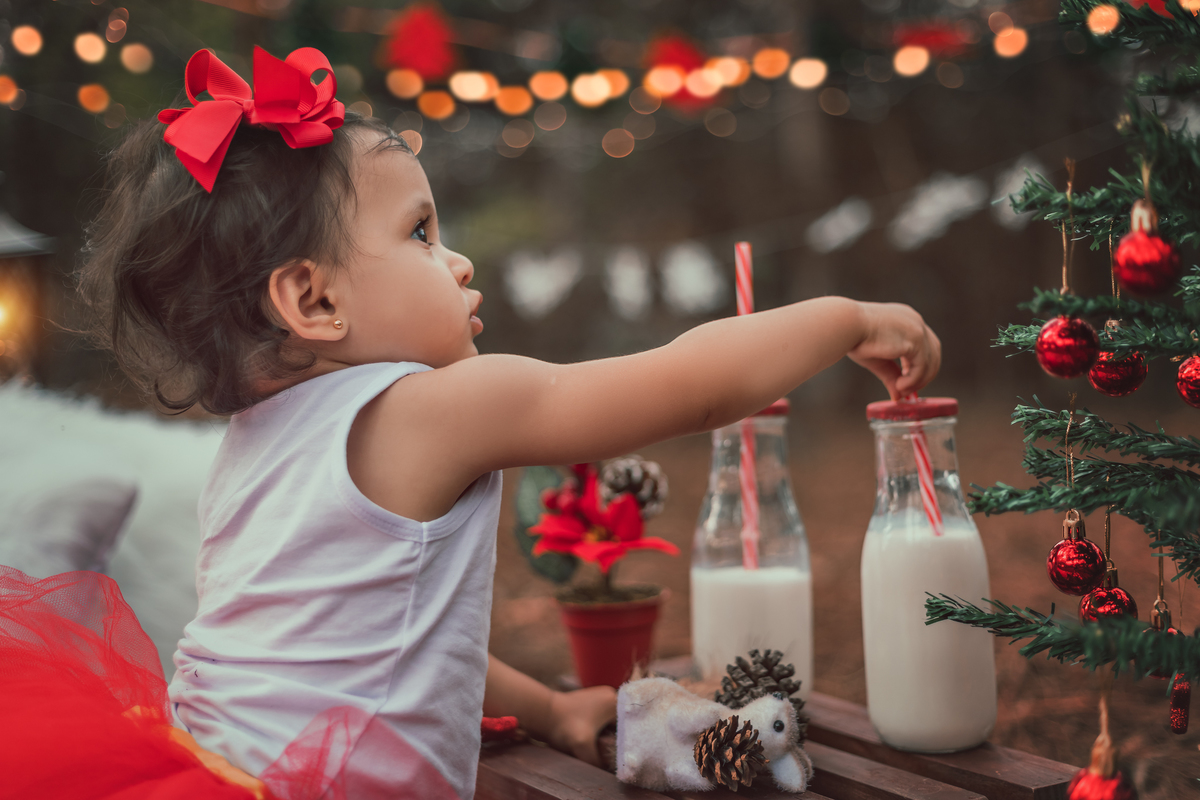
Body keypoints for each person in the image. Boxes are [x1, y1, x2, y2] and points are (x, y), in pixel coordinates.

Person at [67, 46, 940, 799]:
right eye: (419, 232)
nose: (458, 258)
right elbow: (687, 387)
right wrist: (845, 318)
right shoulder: (427, 409)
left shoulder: (254, 446)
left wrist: (552, 707)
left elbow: (383, 630)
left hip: (210, 763)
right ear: (313, 299)